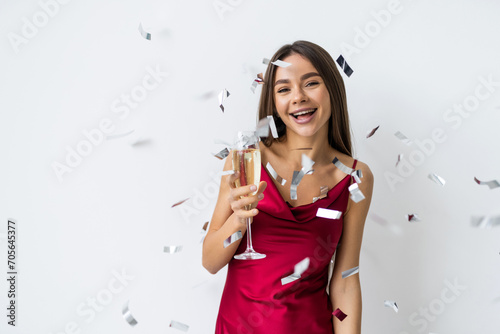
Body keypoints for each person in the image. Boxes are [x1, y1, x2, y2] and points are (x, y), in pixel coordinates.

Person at [202, 40, 374, 334]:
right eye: (284, 89)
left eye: (311, 83)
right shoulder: (246, 161)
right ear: (275, 105)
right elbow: (210, 261)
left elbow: (345, 279)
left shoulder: (356, 176)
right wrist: (239, 218)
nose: (298, 97)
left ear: (332, 89)